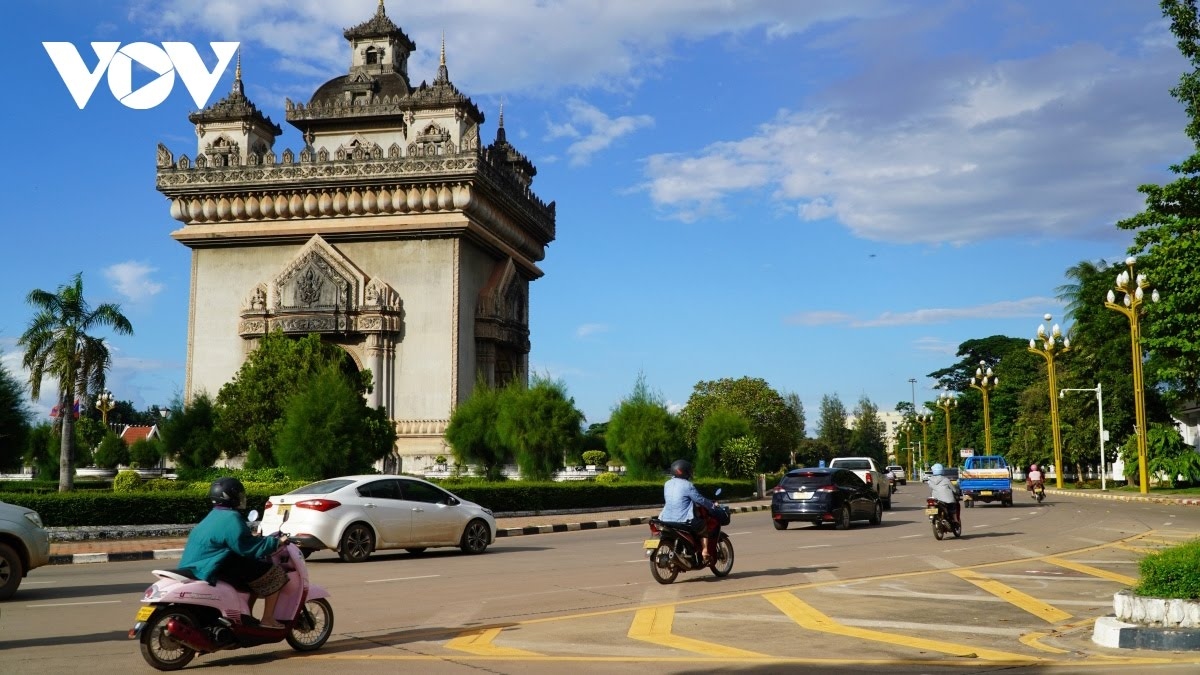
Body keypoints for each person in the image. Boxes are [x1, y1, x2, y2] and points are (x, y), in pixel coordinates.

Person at [178, 477, 290, 629]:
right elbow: (247, 548)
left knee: (254, 575)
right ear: (230, 497)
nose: (241, 498)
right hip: (213, 567)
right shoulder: (232, 517)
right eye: (239, 495)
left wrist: (253, 539)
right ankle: (268, 619)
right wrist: (276, 542)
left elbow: (235, 541)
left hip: (198, 565)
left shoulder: (213, 515)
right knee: (274, 575)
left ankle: (246, 616)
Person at [658, 459, 717, 564]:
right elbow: (699, 499)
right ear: (685, 472)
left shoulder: (667, 484)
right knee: (703, 526)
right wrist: (712, 505)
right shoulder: (687, 485)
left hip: (665, 518)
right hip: (682, 519)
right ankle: (704, 551)